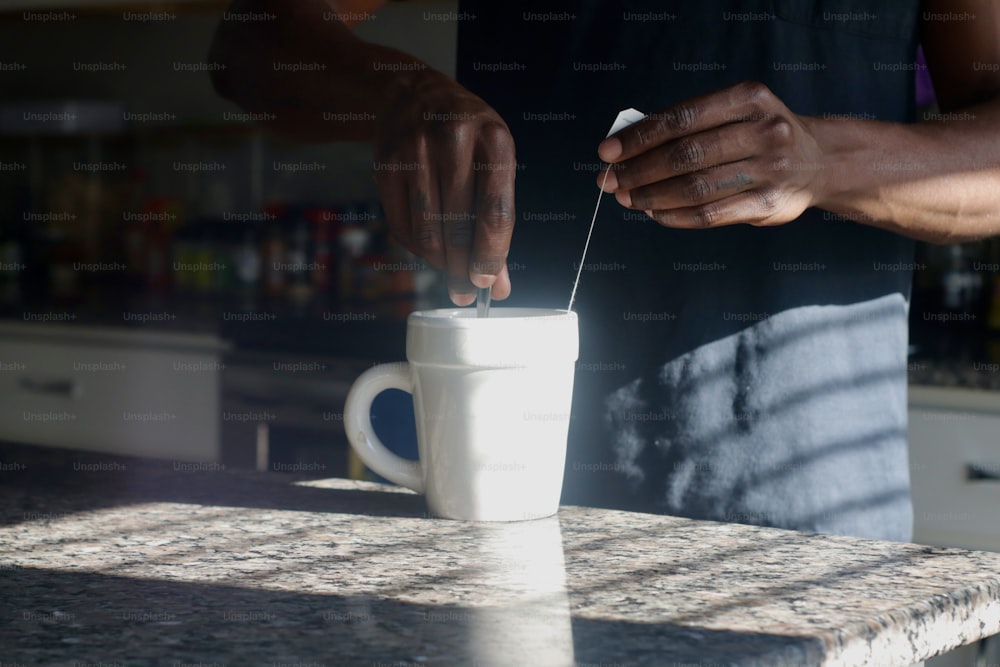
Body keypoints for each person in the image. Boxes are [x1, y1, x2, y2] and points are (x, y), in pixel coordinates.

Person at [210, 0, 1000, 541]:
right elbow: (253, 40)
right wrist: (393, 92)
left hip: (814, 525)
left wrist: (826, 162)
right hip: (514, 524)